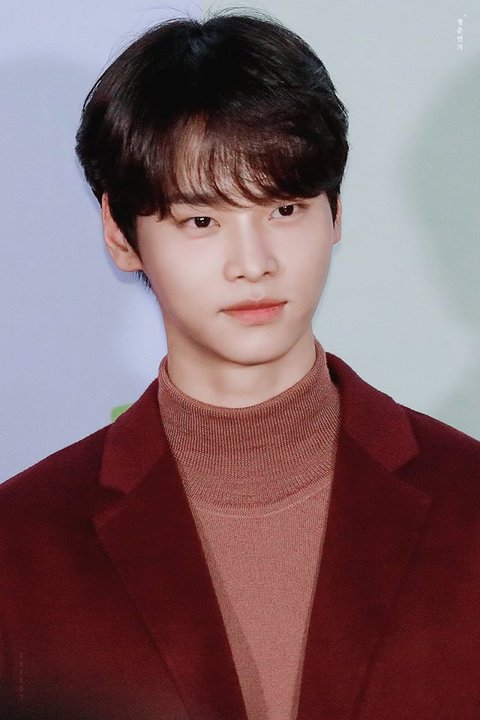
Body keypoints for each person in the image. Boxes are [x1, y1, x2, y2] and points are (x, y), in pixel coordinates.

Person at [1, 10, 480, 720]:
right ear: (120, 235)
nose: (253, 264)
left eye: (285, 209)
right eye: (202, 221)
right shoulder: (21, 547)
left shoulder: (469, 501)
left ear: (335, 213)